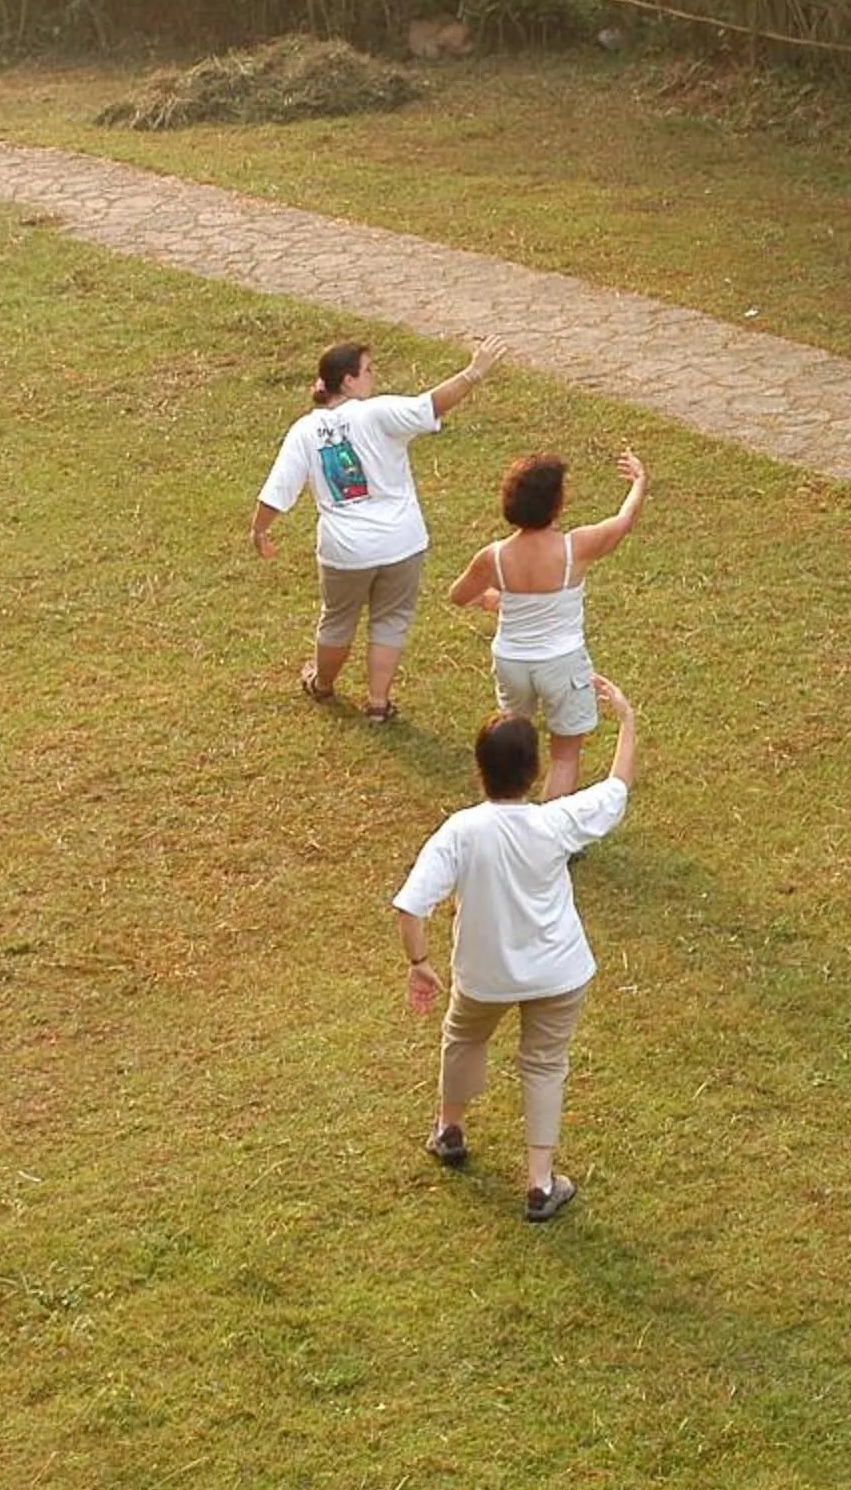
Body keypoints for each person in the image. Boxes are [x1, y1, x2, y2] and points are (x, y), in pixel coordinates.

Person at [392, 678, 639, 1222]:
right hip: (559, 971)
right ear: (532, 773)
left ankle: (450, 1130)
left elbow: (411, 906)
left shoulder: (461, 832)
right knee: (544, 1067)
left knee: (463, 1038)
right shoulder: (555, 822)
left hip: (484, 975)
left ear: (480, 768)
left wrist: (419, 964)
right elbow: (617, 787)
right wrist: (625, 720)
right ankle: (540, 1183)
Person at [252, 337, 505, 724]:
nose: (373, 377)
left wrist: (260, 531)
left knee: (337, 619)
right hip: (402, 543)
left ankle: (322, 685)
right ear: (348, 381)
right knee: (391, 619)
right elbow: (433, 403)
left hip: (344, 550)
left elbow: (277, 490)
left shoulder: (304, 431)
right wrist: (474, 372)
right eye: (368, 370)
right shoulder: (378, 413)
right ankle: (378, 703)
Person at [444, 447, 648, 797]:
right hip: (561, 663)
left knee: (512, 748)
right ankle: (553, 837)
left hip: (512, 662)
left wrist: (497, 599)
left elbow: (459, 595)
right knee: (565, 754)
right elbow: (623, 521)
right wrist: (640, 482)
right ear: (556, 504)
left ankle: (510, 818)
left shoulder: (493, 556)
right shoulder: (575, 548)